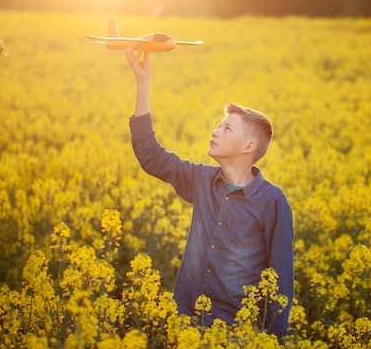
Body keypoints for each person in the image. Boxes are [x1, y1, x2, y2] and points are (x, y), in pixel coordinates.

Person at [125, 44, 294, 341]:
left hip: (235, 335)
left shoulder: (272, 201)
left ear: (248, 147)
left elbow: (281, 284)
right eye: (218, 125)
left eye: (227, 129)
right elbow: (150, 155)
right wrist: (143, 83)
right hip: (185, 326)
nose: (215, 131)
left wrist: (271, 342)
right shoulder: (201, 180)